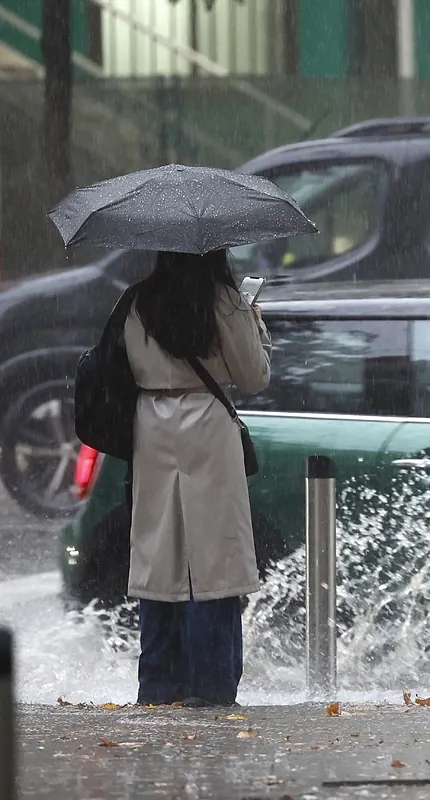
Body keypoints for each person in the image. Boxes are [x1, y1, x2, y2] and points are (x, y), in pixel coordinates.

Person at [124, 250, 271, 707]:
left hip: (151, 427)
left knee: (159, 559)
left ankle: (159, 686)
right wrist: (255, 323)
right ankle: (212, 687)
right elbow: (254, 377)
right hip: (206, 426)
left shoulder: (137, 302)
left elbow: (124, 367)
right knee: (215, 562)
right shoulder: (225, 302)